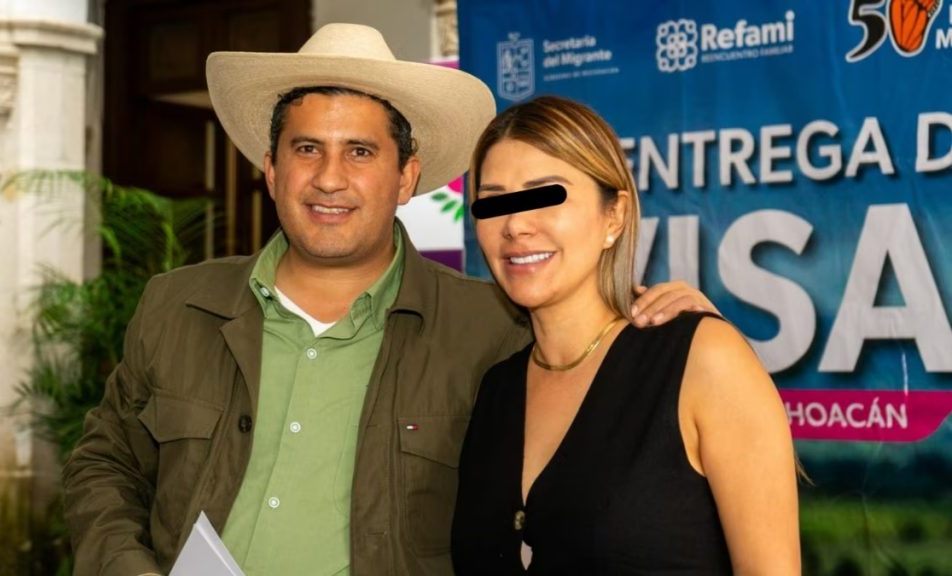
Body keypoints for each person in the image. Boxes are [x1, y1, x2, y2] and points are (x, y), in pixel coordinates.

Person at [62, 24, 718, 576]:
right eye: (307, 149)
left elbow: (603, 396)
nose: (329, 178)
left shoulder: (495, 329)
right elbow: (105, 462)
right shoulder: (177, 306)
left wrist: (661, 325)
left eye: (360, 152)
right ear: (272, 169)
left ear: (406, 177)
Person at [451, 96, 800, 574]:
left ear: (613, 217)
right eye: (495, 202)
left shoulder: (701, 358)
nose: (515, 225)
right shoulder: (496, 388)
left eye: (545, 195)